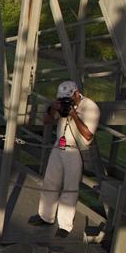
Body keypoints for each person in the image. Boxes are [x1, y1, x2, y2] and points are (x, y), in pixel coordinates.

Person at [29, 80, 99, 238]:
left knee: (70, 188)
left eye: (67, 99)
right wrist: (52, 110)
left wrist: (74, 115)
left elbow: (88, 135)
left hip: (75, 151)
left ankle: (65, 225)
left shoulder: (90, 107)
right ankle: (45, 216)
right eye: (62, 99)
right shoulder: (61, 105)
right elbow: (47, 122)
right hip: (58, 147)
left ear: (76, 93)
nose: (65, 102)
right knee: (50, 182)